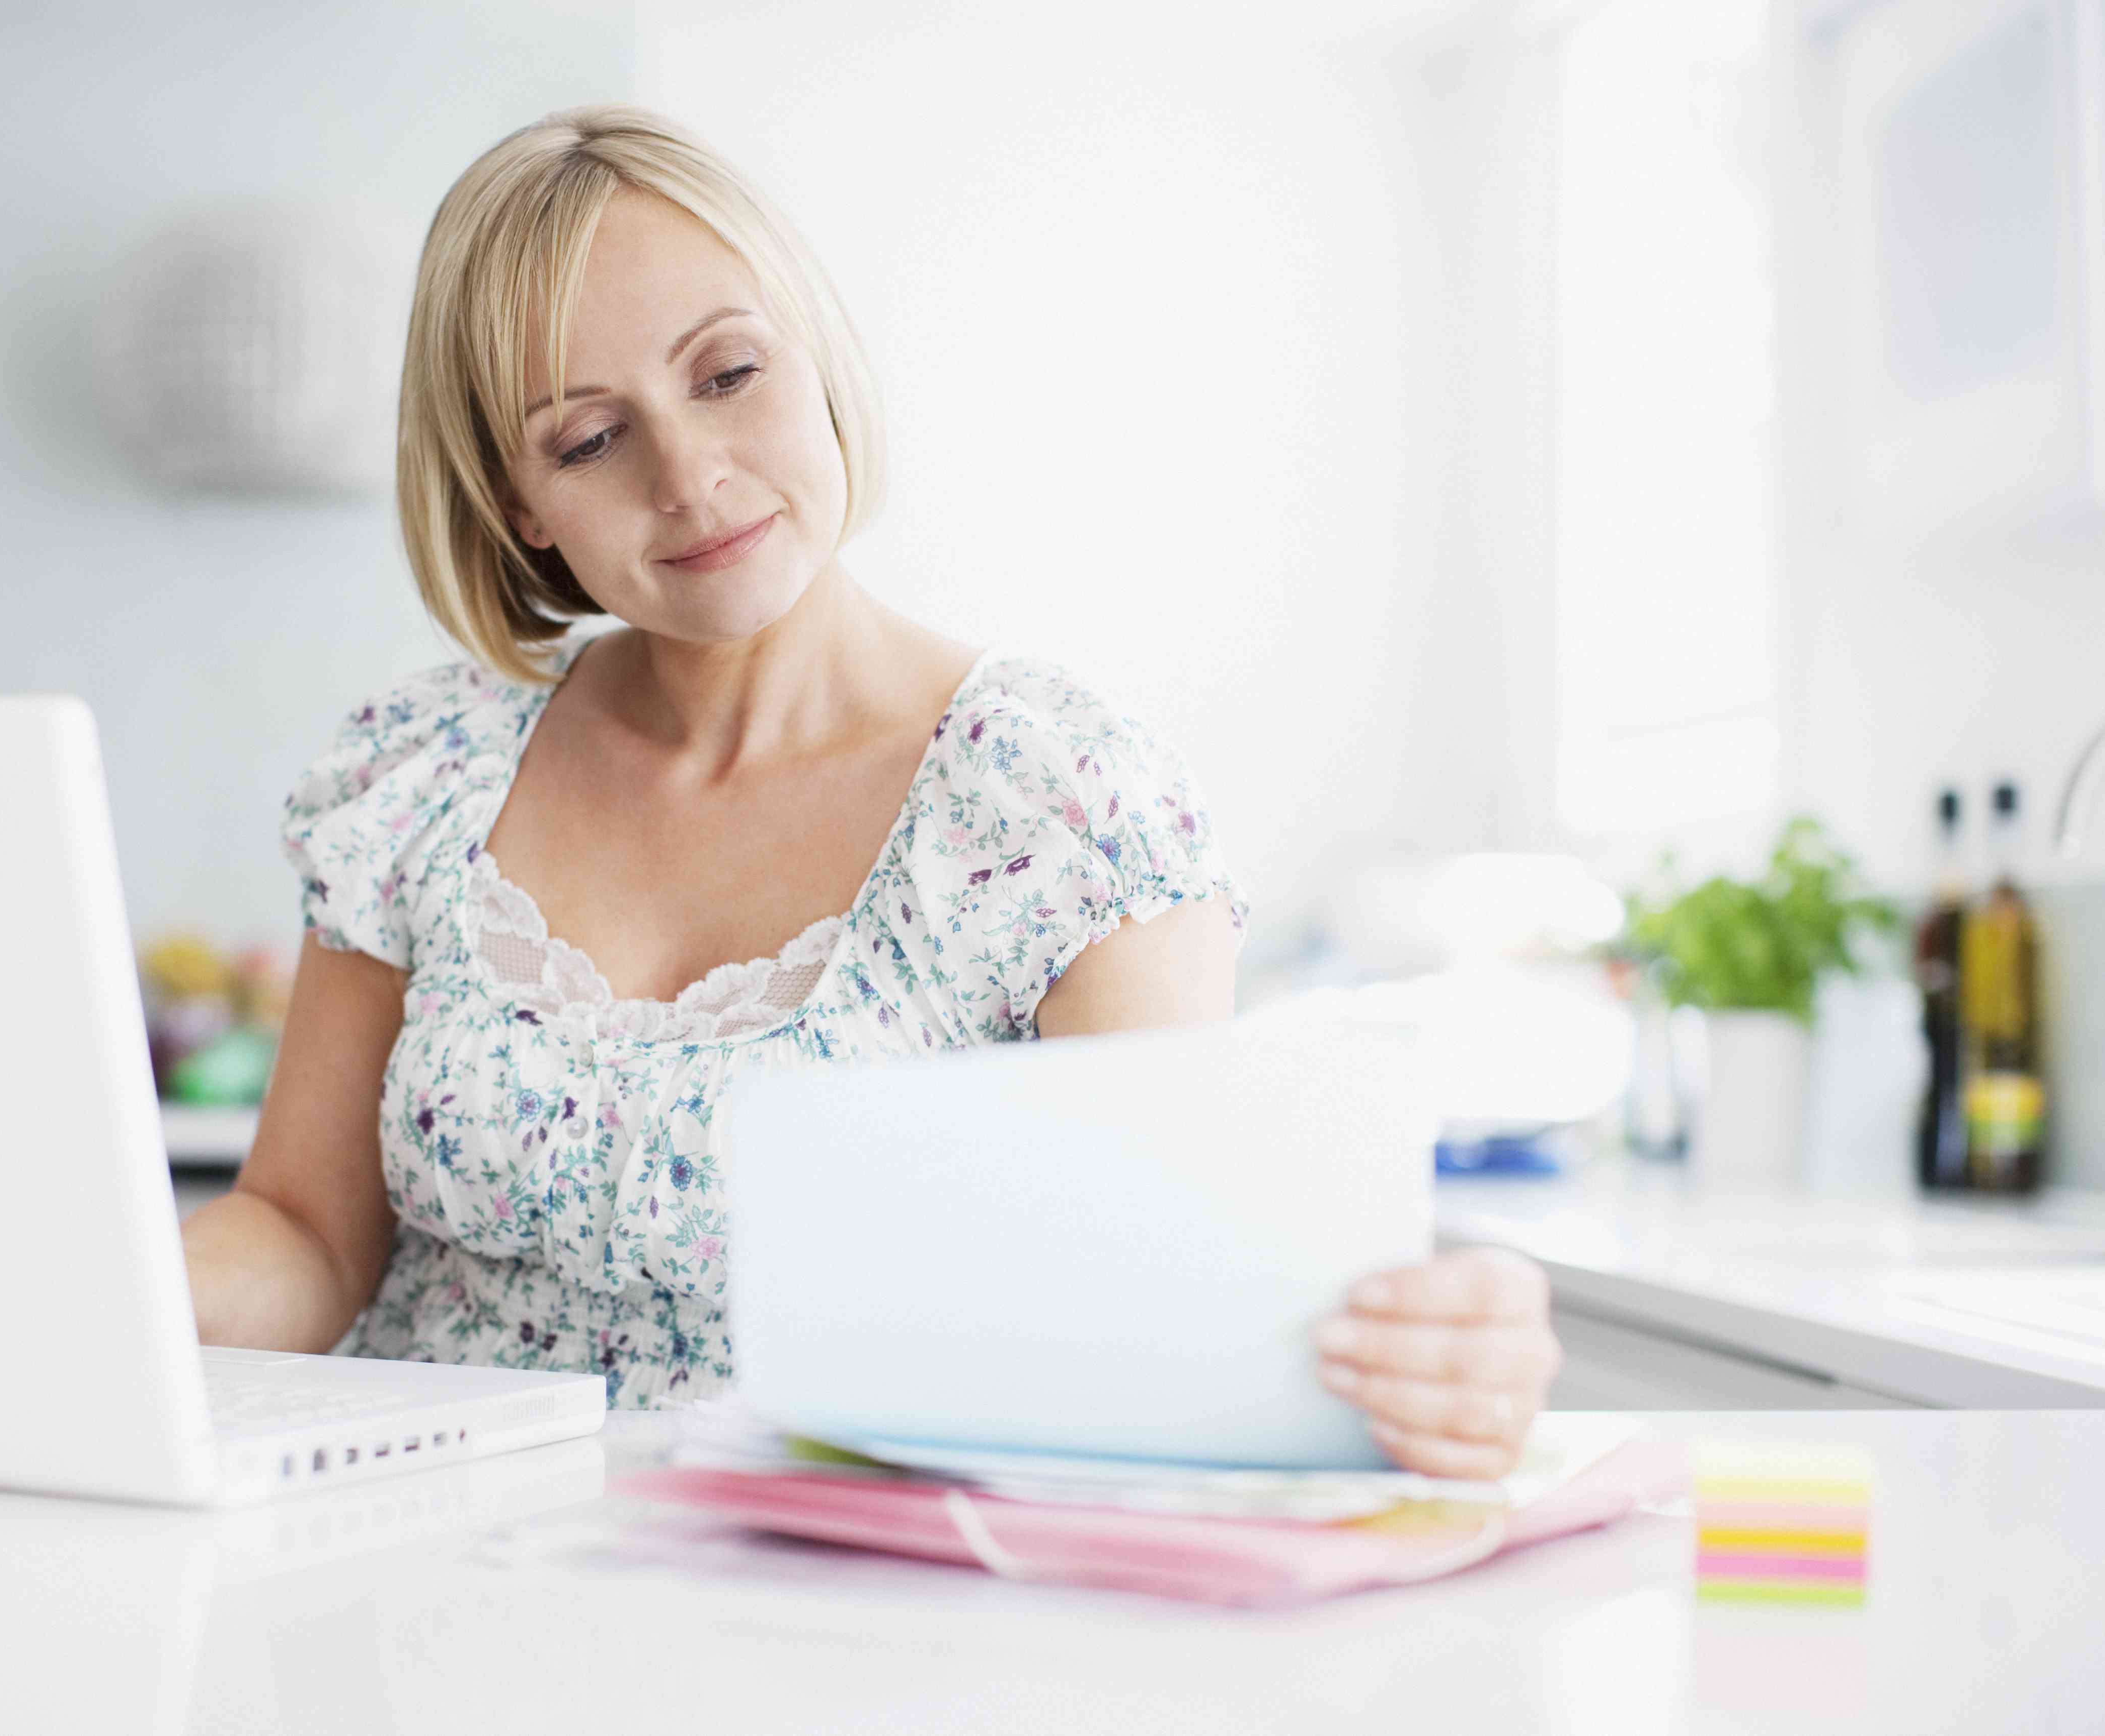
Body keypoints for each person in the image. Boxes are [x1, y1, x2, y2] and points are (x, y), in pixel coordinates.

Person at [180, 103, 1561, 1479]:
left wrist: (1424, 1350)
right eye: (590, 439)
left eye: (726, 374)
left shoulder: (1057, 805)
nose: (691, 473)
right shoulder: (425, 774)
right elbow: (305, 1236)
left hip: (833, 1626)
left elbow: (1167, 1314)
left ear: (816, 351)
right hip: (416, 1599)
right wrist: (77, 1285)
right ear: (519, 504)